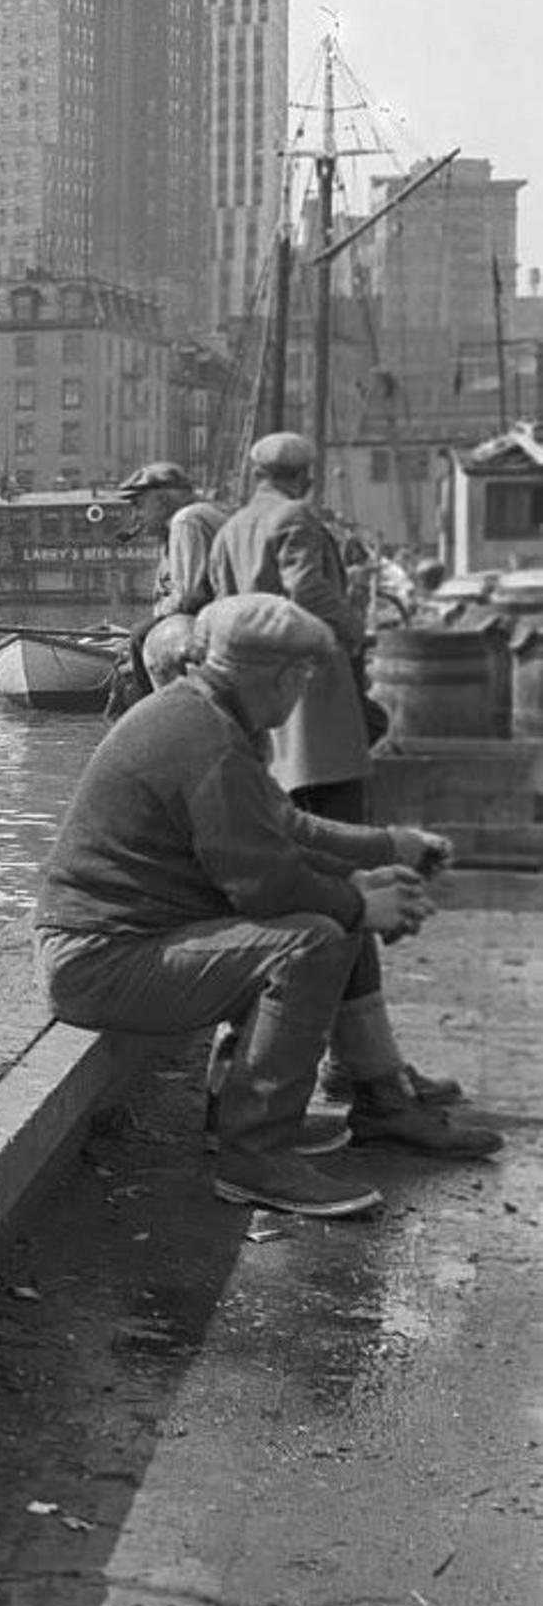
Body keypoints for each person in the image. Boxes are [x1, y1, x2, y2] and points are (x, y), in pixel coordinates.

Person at [33, 593, 500, 1219]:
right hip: (99, 959)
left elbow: (283, 831)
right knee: (317, 937)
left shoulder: (206, 717)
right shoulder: (207, 739)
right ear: (278, 676)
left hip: (117, 943)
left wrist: (374, 862)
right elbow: (265, 886)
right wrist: (362, 904)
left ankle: (331, 1107)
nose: (305, 689)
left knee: (336, 916)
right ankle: (256, 1157)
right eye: (304, 675)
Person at [211, 428, 466, 1113]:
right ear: (309, 475)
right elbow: (310, 595)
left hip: (269, 727)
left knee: (321, 887)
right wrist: (354, 628)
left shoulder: (231, 526)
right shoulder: (294, 519)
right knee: (349, 888)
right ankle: (368, 1073)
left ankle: (361, 1065)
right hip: (317, 725)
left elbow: (214, 609)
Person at [116, 459, 231, 696]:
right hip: (221, 616)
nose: (136, 516)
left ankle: (153, 721)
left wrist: (159, 615)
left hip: (212, 621)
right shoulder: (195, 518)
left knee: (139, 637)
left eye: (139, 505)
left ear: (163, 501)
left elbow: (190, 596)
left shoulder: (187, 521)